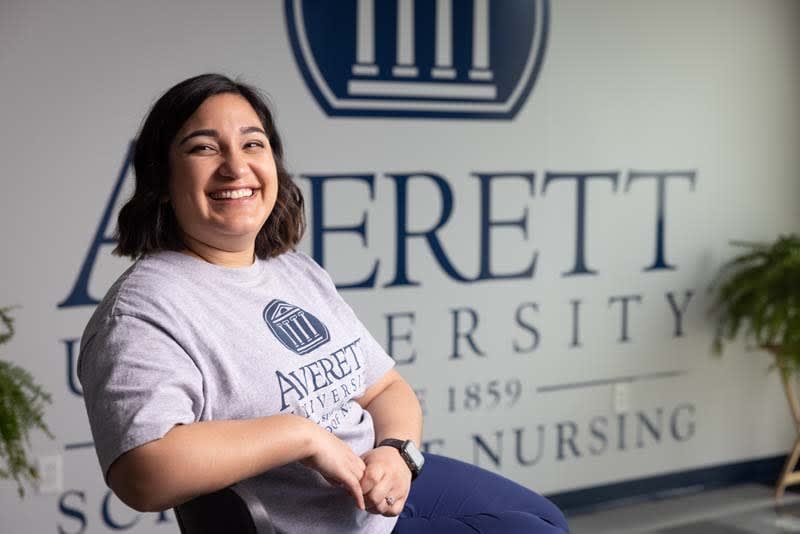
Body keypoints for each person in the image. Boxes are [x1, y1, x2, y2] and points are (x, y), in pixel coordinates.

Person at [78, 73, 569, 534]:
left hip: (373, 483)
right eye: (204, 147)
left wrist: (396, 452)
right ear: (161, 180)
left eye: (253, 144)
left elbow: (386, 388)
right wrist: (302, 435)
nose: (235, 166)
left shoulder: (293, 269)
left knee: (546, 518)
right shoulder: (144, 309)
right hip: (315, 523)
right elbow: (143, 473)